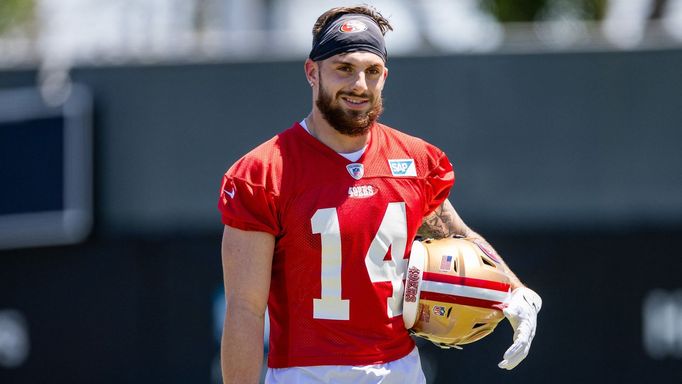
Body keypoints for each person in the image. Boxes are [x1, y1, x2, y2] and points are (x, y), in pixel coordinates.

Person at [218, 5, 542, 384]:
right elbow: (245, 309)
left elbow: (459, 234)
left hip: (397, 371)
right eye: (344, 68)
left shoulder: (414, 161)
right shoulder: (264, 172)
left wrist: (516, 291)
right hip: (304, 374)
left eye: (371, 71)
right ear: (312, 71)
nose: (359, 84)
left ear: (384, 77)